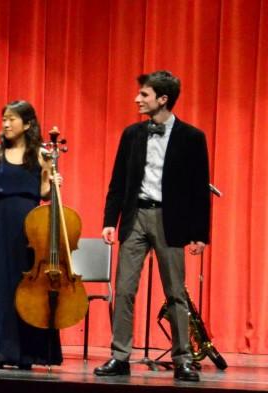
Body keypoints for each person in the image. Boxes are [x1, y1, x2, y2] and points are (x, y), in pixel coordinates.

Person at [94, 70, 210, 382]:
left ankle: (183, 358)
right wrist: (109, 220)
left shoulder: (192, 137)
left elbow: (200, 190)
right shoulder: (132, 134)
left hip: (169, 220)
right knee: (125, 289)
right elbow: (118, 181)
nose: (137, 99)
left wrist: (200, 234)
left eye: (144, 95)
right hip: (135, 218)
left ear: (163, 99)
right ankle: (120, 356)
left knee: (175, 292)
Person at [0, 100, 62, 369]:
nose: (6, 124)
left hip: (30, 227)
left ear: (27, 124)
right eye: (4, 119)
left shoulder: (41, 155)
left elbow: (44, 193)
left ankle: (28, 353)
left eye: (12, 119)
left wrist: (55, 181)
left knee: (29, 289)